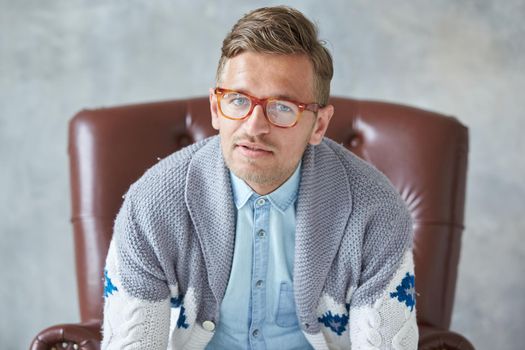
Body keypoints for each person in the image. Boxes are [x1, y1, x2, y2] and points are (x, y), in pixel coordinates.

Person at [101, 5, 418, 350]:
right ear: (215, 109)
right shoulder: (151, 204)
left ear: (319, 126)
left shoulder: (376, 213)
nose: (254, 127)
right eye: (237, 100)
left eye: (283, 107)